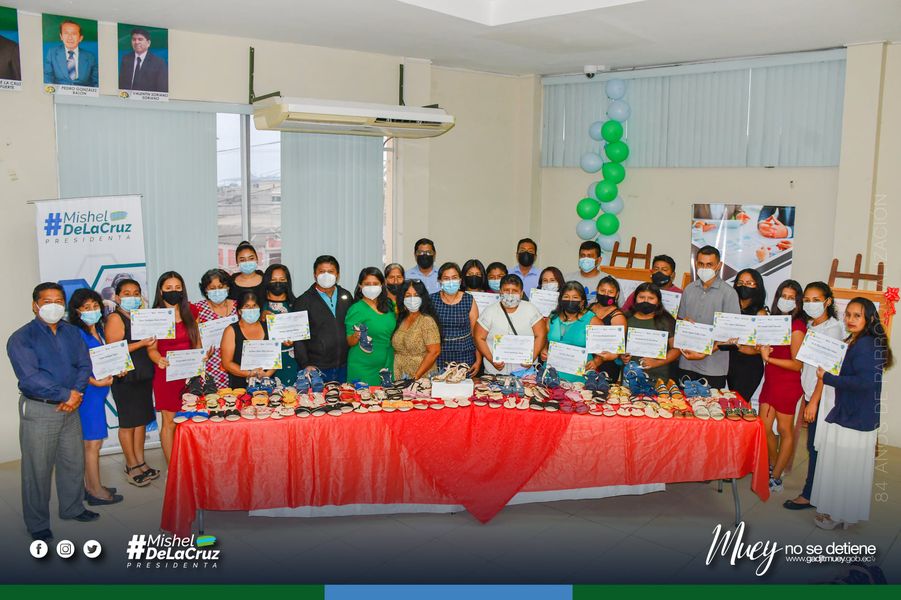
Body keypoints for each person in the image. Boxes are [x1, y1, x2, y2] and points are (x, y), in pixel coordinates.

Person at [7, 282, 98, 541]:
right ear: (35, 305)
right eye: (47, 301)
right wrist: (65, 394)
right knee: (37, 468)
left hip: (72, 406)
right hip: (40, 408)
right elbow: (29, 377)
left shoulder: (72, 332)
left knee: (73, 461)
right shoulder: (21, 338)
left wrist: (75, 393)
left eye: (59, 301)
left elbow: (84, 364)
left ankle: (72, 508)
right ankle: (37, 523)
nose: (54, 306)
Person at [810, 298, 892, 529]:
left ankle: (837, 515)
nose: (850, 319)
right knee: (845, 466)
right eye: (848, 315)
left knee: (845, 468)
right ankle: (843, 514)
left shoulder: (867, 344)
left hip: (855, 416)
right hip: (852, 411)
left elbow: (865, 382)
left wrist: (827, 377)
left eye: (857, 315)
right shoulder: (859, 340)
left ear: (870, 318)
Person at [783, 281, 844, 511]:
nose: (810, 304)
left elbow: (825, 370)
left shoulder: (833, 329)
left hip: (824, 397)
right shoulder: (811, 325)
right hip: (810, 393)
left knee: (816, 446)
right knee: (814, 445)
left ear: (828, 301)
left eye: (816, 300)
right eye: (807, 300)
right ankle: (815, 492)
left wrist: (814, 402)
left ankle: (810, 495)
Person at [67, 288, 124, 506]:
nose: (92, 310)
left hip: (98, 393)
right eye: (86, 307)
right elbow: (75, 366)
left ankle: (90, 485)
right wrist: (94, 382)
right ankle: (95, 490)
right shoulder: (76, 334)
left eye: (95, 306)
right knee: (92, 443)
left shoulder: (98, 329)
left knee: (93, 442)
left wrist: (118, 369)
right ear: (76, 311)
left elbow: (103, 359)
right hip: (88, 394)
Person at [104, 278, 158, 487]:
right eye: (127, 294)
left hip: (143, 374)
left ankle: (141, 461)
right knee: (128, 423)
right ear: (117, 297)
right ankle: (130, 465)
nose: (132, 297)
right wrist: (142, 343)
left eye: (136, 293)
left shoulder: (141, 317)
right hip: (124, 376)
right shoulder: (115, 318)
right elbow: (114, 348)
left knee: (141, 421)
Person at [146, 271, 201, 464]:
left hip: (189, 374)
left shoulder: (191, 310)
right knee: (169, 422)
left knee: (189, 419)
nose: (173, 291)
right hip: (166, 374)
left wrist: (201, 358)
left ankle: (188, 464)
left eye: (177, 288)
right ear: (161, 291)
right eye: (168, 288)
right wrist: (158, 359)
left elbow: (197, 340)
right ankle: (173, 467)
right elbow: (151, 349)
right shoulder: (155, 316)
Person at [758, 280, 807, 493]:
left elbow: (797, 365)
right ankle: (774, 464)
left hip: (787, 383)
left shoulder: (797, 327)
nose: (786, 301)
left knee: (784, 430)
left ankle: (776, 476)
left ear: (798, 302)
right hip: (771, 381)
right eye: (783, 296)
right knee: (764, 427)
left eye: (791, 298)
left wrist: (768, 358)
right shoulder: (774, 321)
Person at [677, 245, 741, 388]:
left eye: (709, 264)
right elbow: (680, 321)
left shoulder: (729, 293)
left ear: (719, 265)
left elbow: (731, 335)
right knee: (682, 402)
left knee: (711, 403)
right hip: (686, 362)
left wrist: (705, 352)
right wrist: (682, 324)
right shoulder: (689, 289)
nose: (704, 268)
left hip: (713, 367)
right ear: (696, 264)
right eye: (701, 264)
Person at [292, 255, 354, 383]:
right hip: (317, 369)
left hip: (345, 365)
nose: (326, 275)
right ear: (315, 275)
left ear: (337, 274)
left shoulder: (346, 296)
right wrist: (305, 364)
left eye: (330, 271)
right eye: (322, 271)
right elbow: (298, 339)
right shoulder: (303, 301)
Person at [474, 274, 546, 376]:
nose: (510, 294)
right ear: (500, 292)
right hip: (494, 374)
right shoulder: (490, 311)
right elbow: (478, 337)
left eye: (515, 291)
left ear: (521, 293)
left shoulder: (531, 309)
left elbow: (541, 335)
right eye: (506, 290)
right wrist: (492, 359)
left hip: (525, 374)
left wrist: (532, 357)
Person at [345, 268, 397, 385]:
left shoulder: (389, 305)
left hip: (386, 364)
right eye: (367, 284)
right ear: (360, 286)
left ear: (382, 285)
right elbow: (350, 341)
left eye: (375, 283)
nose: (371, 287)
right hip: (363, 367)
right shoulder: (356, 309)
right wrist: (356, 336)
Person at [542, 282, 602, 382]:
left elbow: (604, 347)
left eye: (575, 297)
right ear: (560, 299)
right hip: (550, 375)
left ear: (582, 301)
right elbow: (545, 341)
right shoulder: (552, 317)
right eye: (566, 297)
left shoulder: (592, 320)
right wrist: (543, 350)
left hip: (579, 378)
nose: (570, 300)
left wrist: (597, 361)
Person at [723, 268, 767, 400]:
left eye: (749, 283)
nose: (744, 286)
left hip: (749, 367)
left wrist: (739, 347)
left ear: (757, 286)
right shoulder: (729, 308)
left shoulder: (761, 313)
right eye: (740, 282)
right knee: (733, 402)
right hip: (730, 364)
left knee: (740, 402)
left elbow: (760, 349)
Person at [621, 283, 680, 383]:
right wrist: (621, 356)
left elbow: (676, 349)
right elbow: (618, 345)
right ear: (635, 299)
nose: (645, 301)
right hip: (630, 376)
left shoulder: (666, 320)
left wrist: (656, 362)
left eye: (651, 298)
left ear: (658, 301)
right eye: (641, 297)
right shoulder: (625, 318)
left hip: (658, 377)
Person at [192, 268, 237, 389]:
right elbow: (194, 337)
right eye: (212, 288)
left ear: (228, 287)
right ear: (205, 290)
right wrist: (200, 355)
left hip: (236, 363)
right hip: (210, 363)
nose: (217, 291)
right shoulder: (198, 308)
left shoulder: (238, 306)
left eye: (221, 286)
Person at [431, 262, 480, 373]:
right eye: (446, 278)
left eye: (454, 278)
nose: (451, 281)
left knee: (463, 384)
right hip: (438, 355)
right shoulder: (432, 300)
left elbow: (475, 334)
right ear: (439, 281)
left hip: (465, 355)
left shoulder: (469, 299)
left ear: (460, 280)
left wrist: (478, 360)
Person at [221, 292, 276, 388]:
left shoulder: (269, 327)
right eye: (247, 306)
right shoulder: (231, 330)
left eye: (254, 306)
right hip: (240, 385)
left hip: (267, 383)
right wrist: (249, 373)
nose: (251, 309)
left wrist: (266, 375)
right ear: (239, 311)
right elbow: (227, 363)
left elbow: (276, 357)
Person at [392, 280, 441, 379]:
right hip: (399, 374)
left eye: (416, 295)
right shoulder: (400, 319)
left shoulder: (426, 320)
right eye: (408, 295)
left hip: (421, 376)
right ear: (402, 298)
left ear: (422, 298)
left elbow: (434, 352)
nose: (412, 299)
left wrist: (416, 376)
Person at [261, 264, 300, 385]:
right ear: (267, 281)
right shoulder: (257, 305)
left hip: (291, 360)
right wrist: (259, 319)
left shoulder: (297, 304)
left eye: (282, 279)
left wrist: (295, 341)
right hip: (264, 361)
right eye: (273, 280)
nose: (278, 283)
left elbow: (304, 333)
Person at [589, 276, 628, 382]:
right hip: (587, 358)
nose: (605, 294)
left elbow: (617, 347)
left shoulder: (617, 316)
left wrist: (598, 360)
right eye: (602, 291)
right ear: (597, 290)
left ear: (617, 294)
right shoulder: (590, 307)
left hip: (607, 363)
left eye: (610, 292)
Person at [43, 20, 98, 87]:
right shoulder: (52, 53)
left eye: (74, 34)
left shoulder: (90, 57)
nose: (70, 37)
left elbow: (96, 83)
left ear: (80, 38)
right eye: (66, 33)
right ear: (61, 36)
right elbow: (47, 77)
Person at [118, 27, 168, 92]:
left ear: (148, 43)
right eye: (134, 39)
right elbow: (121, 85)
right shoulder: (126, 59)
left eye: (140, 39)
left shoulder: (159, 62)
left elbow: (162, 89)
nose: (136, 42)